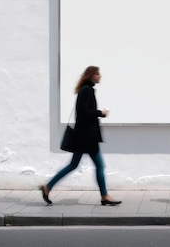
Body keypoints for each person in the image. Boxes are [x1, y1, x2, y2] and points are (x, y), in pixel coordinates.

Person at [40, 66, 121, 206]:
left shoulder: (86, 89)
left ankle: (48, 187)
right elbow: (83, 112)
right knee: (99, 165)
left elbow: (83, 111)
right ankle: (104, 195)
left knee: (73, 165)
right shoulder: (86, 90)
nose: (100, 76)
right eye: (98, 74)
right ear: (91, 75)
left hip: (84, 136)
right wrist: (100, 113)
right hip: (87, 137)